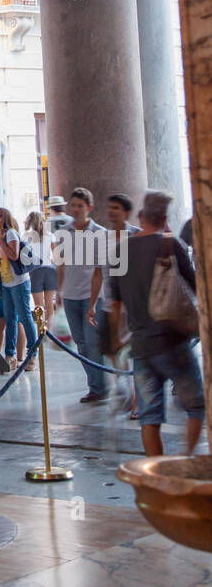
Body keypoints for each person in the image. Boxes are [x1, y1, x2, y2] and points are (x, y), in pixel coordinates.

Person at [109, 190, 205, 457]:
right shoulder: (170, 244)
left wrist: (117, 339)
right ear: (164, 218)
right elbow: (196, 285)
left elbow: (114, 301)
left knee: (149, 417)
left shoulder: (120, 250)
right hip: (172, 340)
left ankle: (157, 469)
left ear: (140, 216)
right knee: (195, 406)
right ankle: (186, 461)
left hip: (140, 344)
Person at [53, 186, 109, 402]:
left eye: (80, 206)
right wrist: (59, 292)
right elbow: (61, 264)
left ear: (89, 208)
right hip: (70, 295)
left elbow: (99, 271)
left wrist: (94, 303)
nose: (75, 209)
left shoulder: (99, 233)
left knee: (93, 342)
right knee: (81, 344)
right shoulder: (64, 232)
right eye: (73, 205)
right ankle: (98, 384)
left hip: (91, 296)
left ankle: (98, 388)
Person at [90, 194, 139, 412]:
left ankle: (137, 397)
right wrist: (92, 304)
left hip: (133, 304)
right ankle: (125, 386)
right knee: (111, 349)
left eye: (116, 208)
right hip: (109, 302)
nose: (111, 211)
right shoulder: (104, 238)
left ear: (126, 212)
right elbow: (98, 273)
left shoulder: (136, 236)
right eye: (109, 207)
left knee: (133, 351)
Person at [0, 207, 37, 370]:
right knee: (9, 319)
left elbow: (14, 255)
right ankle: (9, 356)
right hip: (6, 283)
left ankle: (32, 356)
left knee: (24, 317)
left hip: (19, 282)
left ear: (1, 218)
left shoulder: (10, 234)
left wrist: (2, 241)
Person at [25, 209, 57, 331]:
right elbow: (55, 254)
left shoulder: (27, 237)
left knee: (39, 306)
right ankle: (50, 332)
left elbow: (25, 256)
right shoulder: (50, 235)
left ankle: (41, 332)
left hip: (35, 270)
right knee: (49, 303)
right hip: (50, 269)